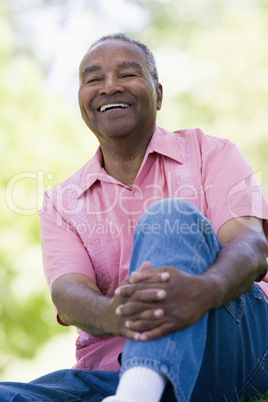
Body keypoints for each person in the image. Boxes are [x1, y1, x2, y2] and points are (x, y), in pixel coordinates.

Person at [1, 33, 268, 401]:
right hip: (111, 371)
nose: (109, 87)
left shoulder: (211, 152)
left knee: (169, 218)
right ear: (81, 103)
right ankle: (140, 388)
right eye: (93, 79)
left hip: (226, 343)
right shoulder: (61, 201)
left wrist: (204, 290)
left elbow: (251, 245)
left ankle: (138, 394)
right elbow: (68, 293)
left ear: (158, 94)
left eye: (127, 74)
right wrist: (120, 314)